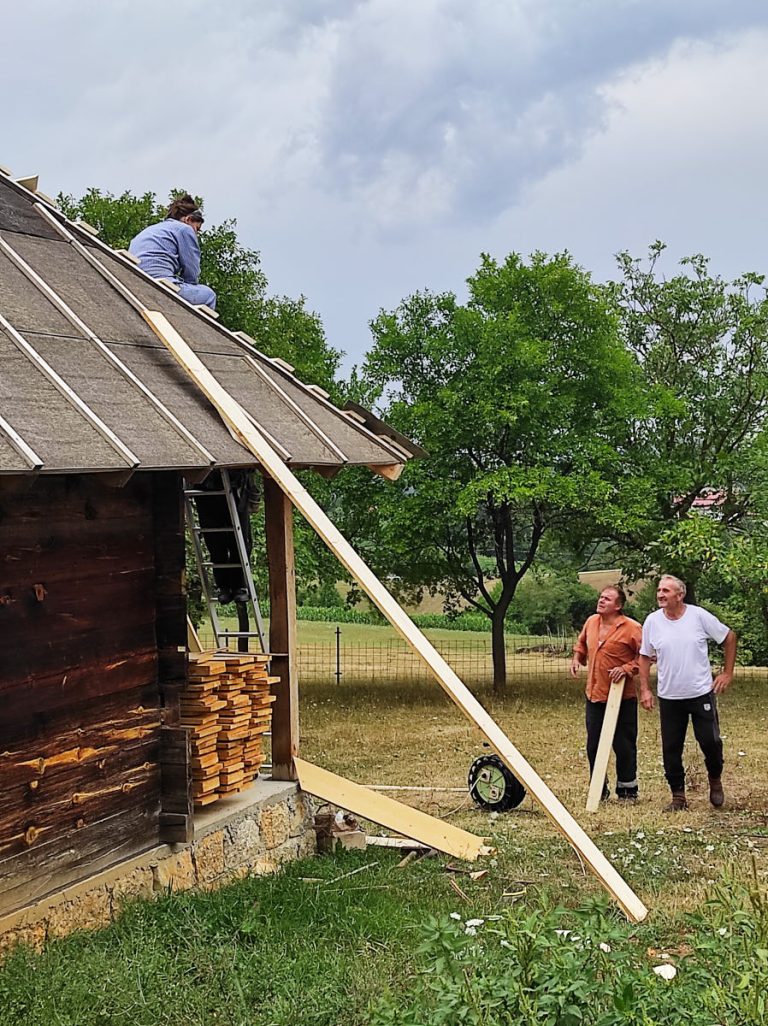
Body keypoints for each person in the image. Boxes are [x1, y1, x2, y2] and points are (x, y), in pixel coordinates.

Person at [638, 574, 737, 812]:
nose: (660, 594)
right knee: (671, 747)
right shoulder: (652, 621)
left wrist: (727, 673)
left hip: (700, 692)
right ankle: (678, 797)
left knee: (710, 741)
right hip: (670, 696)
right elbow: (644, 656)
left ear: (679, 595)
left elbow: (729, 637)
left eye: (666, 591)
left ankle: (715, 779)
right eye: (659, 590)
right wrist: (644, 689)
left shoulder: (698, 616)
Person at [570, 585, 642, 801]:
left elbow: (646, 657)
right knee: (593, 744)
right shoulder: (592, 621)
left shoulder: (632, 628)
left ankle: (628, 790)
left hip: (622, 697)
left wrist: (626, 669)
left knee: (624, 744)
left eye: (607, 599)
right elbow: (581, 643)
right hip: (594, 694)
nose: (601, 601)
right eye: (601, 597)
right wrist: (576, 658)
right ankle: (598, 788)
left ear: (618, 606)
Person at [129, 194, 217, 309]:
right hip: (158, 282)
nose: (196, 234)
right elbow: (191, 274)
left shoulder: (151, 229)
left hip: (133, 278)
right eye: (197, 229)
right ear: (188, 219)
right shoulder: (184, 229)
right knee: (208, 295)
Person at [195, 470, 260, 604]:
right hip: (208, 489)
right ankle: (224, 587)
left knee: (240, 541)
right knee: (216, 543)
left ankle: (238, 586)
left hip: (234, 489)